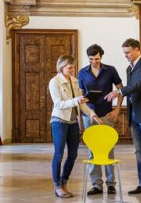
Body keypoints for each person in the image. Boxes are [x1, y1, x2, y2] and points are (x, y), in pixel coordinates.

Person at [104, 38, 141, 200]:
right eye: (124, 53)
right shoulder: (130, 69)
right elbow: (138, 91)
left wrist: (119, 92)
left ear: (137, 50)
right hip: (133, 114)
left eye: (128, 52)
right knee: (139, 152)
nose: (126, 56)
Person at [49, 54, 101, 198]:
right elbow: (58, 104)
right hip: (59, 121)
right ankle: (57, 185)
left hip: (73, 123)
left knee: (73, 155)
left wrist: (92, 114)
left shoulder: (74, 81)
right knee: (59, 154)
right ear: (61, 67)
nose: (72, 69)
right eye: (69, 67)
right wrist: (76, 100)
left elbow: (82, 103)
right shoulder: (54, 82)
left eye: (73, 67)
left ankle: (64, 182)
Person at [77, 44, 123, 197]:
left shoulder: (110, 70)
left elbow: (120, 89)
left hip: (106, 114)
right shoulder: (82, 73)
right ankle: (96, 184)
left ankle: (111, 184)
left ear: (101, 57)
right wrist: (82, 114)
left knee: (108, 149)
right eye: (91, 59)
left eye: (96, 59)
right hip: (89, 115)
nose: (94, 62)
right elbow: (81, 96)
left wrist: (117, 109)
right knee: (92, 150)